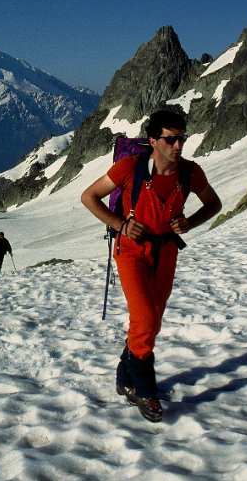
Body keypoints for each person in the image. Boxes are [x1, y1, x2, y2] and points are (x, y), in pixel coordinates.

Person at [81, 109, 222, 422]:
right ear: (153, 140)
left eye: (181, 138)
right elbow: (89, 196)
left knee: (152, 320)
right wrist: (119, 224)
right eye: (170, 139)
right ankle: (145, 390)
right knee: (145, 317)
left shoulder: (190, 173)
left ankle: (124, 376)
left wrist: (191, 221)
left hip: (166, 252)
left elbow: (215, 204)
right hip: (131, 251)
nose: (178, 145)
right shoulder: (130, 167)